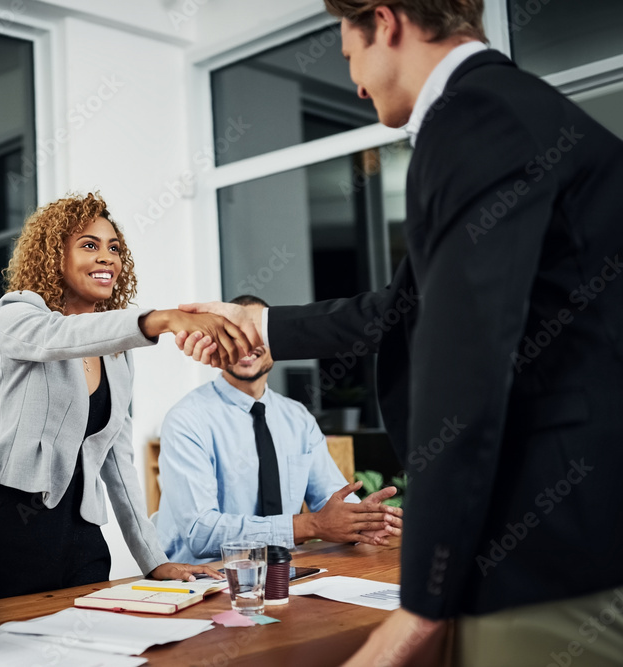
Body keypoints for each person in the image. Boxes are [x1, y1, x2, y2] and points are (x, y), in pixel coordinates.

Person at [176, 1, 623, 665]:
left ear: (385, 23)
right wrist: (262, 325)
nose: (355, 83)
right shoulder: (521, 111)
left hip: (552, 544)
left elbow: (463, 359)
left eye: (348, 54)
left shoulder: (475, 117)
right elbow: (414, 307)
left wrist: (426, 595)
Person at [0, 192, 248, 599]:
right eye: (89, 245)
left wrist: (154, 560)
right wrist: (161, 319)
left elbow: (118, 461)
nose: (107, 258)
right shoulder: (16, 314)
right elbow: (56, 337)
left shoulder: (116, 352)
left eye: (114, 248)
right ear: (54, 256)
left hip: (83, 535)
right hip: (15, 527)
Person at [156, 294, 402, 564]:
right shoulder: (187, 419)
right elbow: (201, 533)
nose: (244, 343)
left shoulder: (298, 418)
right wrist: (311, 526)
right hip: (201, 578)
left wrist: (365, 522)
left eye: (254, 333)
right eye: (232, 334)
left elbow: (331, 498)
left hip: (284, 572)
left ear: (275, 340)